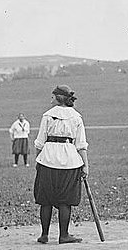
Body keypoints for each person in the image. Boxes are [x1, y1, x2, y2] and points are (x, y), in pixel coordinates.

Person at [33, 85, 88, 245]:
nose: (50, 100)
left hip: (47, 161)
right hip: (70, 162)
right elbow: (81, 145)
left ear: (59, 98)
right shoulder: (77, 117)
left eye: (53, 97)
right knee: (65, 200)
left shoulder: (47, 116)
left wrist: (39, 160)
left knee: (46, 199)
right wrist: (85, 165)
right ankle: (63, 235)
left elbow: (39, 143)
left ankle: (44, 235)